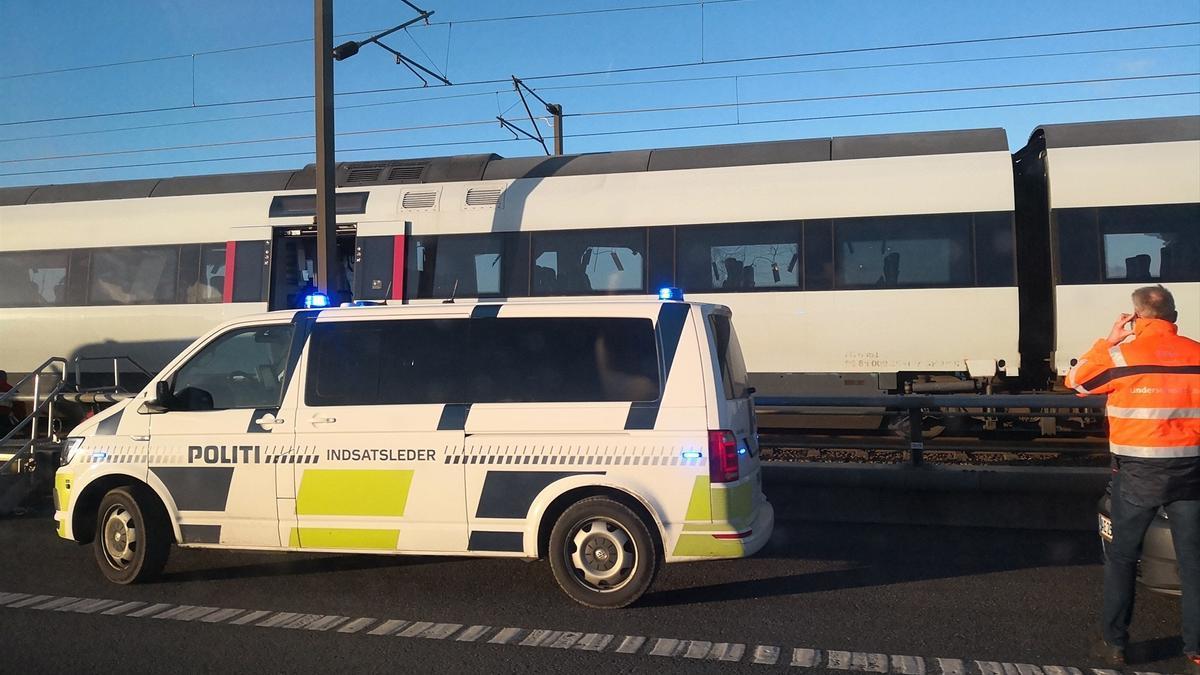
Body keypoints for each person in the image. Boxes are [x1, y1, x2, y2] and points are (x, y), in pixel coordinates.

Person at [1065, 285, 1200, 671]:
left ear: (1137, 318)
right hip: (1191, 472)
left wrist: (1108, 340)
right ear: (1174, 317)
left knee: (1123, 557)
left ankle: (1114, 643)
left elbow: (1076, 382)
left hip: (1138, 475)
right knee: (1194, 563)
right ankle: (1196, 648)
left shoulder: (1120, 356)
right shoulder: (1198, 354)